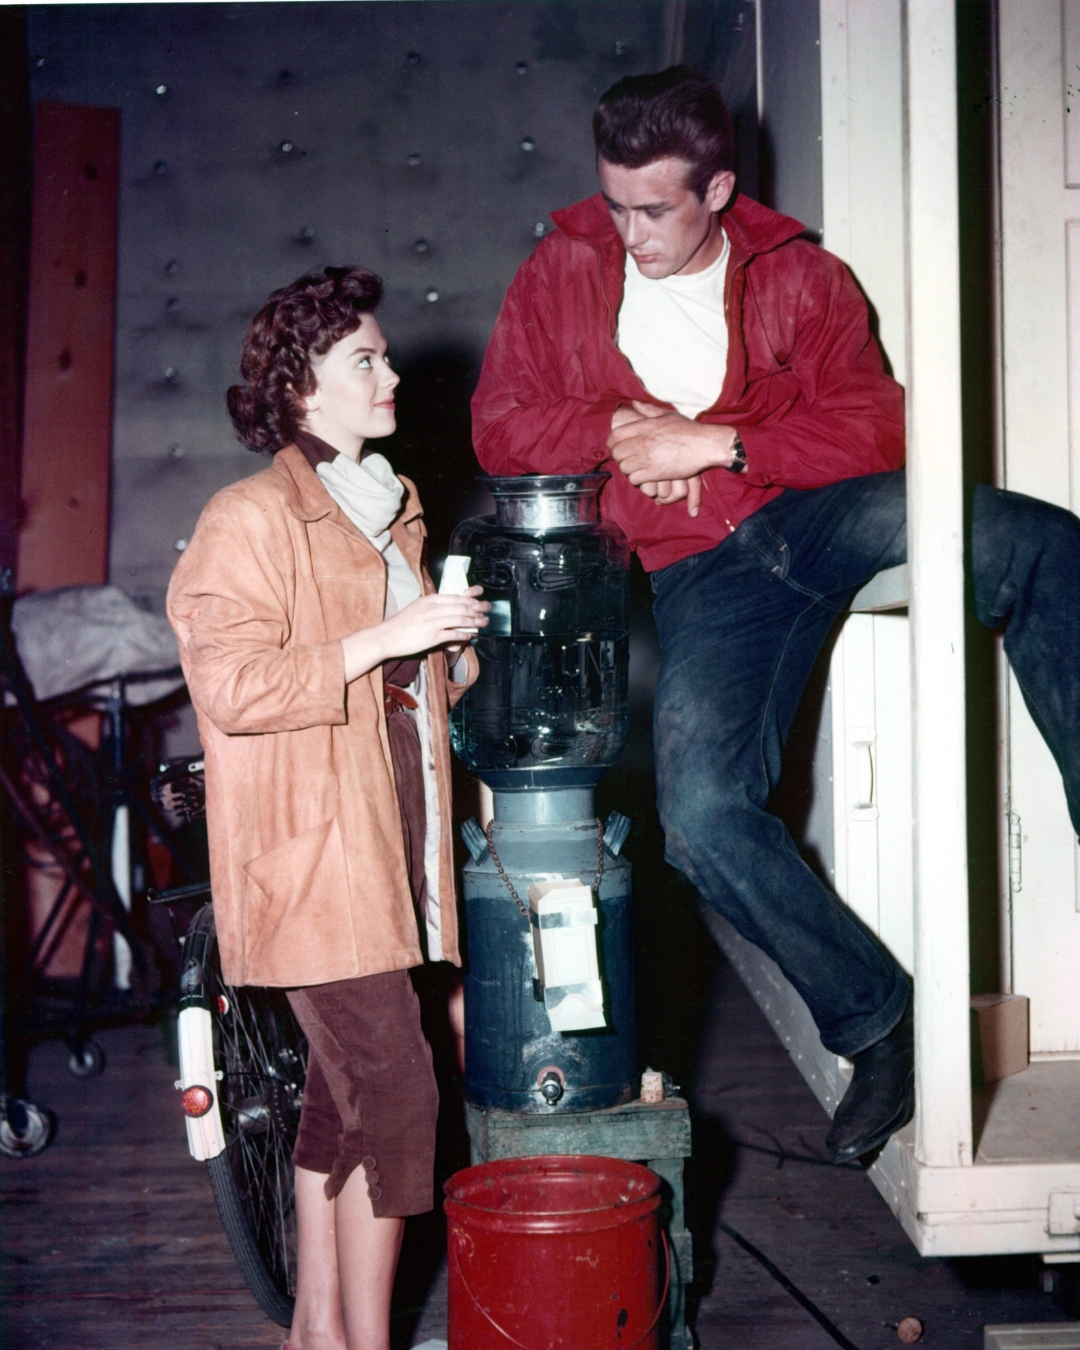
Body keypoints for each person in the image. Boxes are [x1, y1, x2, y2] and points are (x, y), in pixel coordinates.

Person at [471, 66, 1080, 1163]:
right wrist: (621, 426)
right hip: (707, 578)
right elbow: (501, 427)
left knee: (1041, 543)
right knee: (700, 820)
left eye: (653, 207)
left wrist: (724, 443)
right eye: (614, 203)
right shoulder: (560, 270)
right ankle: (882, 1024)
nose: (629, 231)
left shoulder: (801, 274)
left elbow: (883, 425)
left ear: (716, 189)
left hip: (813, 517)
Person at [167, 265, 488, 1350]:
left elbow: (403, 689)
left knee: (342, 1102)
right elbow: (236, 688)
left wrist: (449, 650)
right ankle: (363, 1343)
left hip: (393, 842)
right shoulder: (248, 518)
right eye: (366, 360)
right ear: (300, 389)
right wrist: (392, 638)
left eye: (384, 355)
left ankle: (316, 1331)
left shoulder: (388, 504)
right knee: (399, 1098)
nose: (391, 373)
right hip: (313, 864)